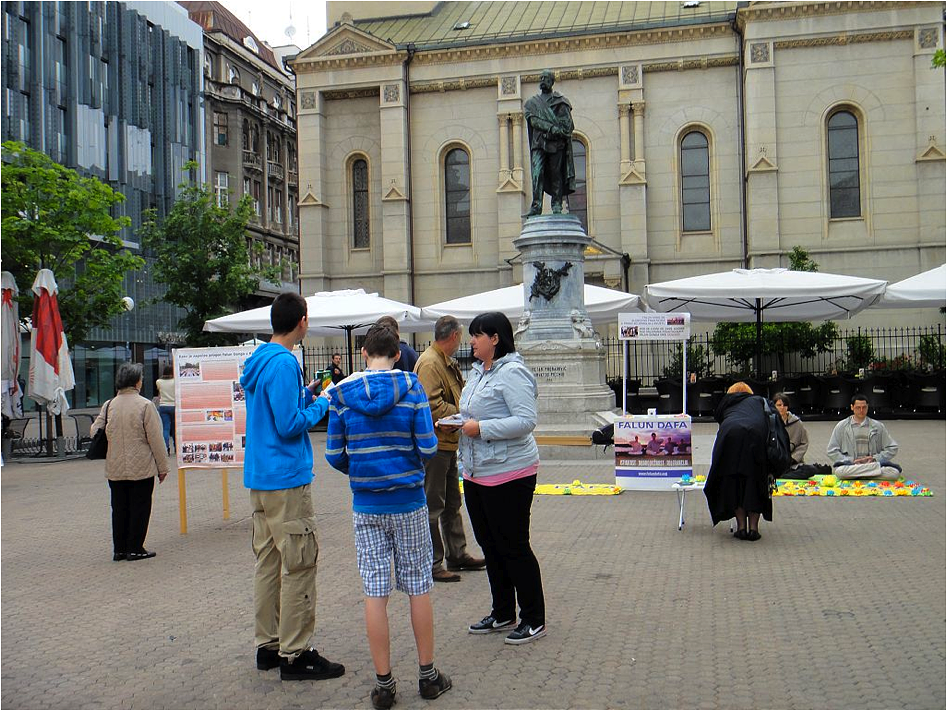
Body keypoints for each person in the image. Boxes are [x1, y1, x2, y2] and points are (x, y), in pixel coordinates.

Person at [325, 323, 451, 709]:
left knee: (374, 593)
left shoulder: (341, 396)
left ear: (363, 354)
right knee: (417, 586)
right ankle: (428, 676)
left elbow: (333, 454)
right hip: (409, 502)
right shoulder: (412, 390)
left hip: (366, 506)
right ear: (397, 354)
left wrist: (361, 470)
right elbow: (429, 447)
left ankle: (384, 685)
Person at [240, 291, 345, 682]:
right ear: (301, 320)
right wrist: (325, 403)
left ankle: (268, 645)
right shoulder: (284, 362)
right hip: (286, 477)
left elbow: (274, 411)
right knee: (298, 562)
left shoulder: (259, 359)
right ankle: (296, 652)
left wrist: (307, 395)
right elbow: (288, 425)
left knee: (268, 562)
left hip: (261, 476)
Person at [456, 312, 546, 645]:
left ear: (495, 338)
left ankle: (534, 617)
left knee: (514, 546)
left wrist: (482, 429)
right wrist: (458, 423)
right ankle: (503, 610)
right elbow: (471, 412)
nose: (472, 342)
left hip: (510, 472)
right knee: (490, 545)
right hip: (477, 471)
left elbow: (526, 420)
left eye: (477, 335)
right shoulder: (478, 372)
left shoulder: (513, 372)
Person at [414, 316, 486, 583]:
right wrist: (463, 414)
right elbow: (431, 405)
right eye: (463, 336)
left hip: (446, 443)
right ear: (454, 336)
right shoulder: (431, 363)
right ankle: (434, 562)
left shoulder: (441, 361)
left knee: (452, 503)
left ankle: (457, 553)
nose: (466, 341)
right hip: (436, 445)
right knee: (434, 504)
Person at [91, 362, 169, 561]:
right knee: (140, 508)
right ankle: (135, 547)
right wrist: (163, 467)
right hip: (141, 467)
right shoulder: (145, 405)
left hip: (115, 467)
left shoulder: (109, 405)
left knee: (119, 508)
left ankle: (120, 549)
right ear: (136, 382)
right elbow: (156, 439)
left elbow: (94, 431)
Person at [703, 382, 774, 542]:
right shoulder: (759, 401)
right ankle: (754, 529)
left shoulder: (726, 403)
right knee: (755, 481)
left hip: (730, 437)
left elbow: (719, 418)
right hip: (756, 437)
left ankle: (741, 527)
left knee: (734, 481)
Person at [523, 68, 575, 216]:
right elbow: (533, 120)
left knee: (556, 174)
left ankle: (557, 205)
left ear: (552, 81)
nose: (542, 81)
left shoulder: (561, 102)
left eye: (545, 78)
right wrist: (552, 127)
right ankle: (536, 206)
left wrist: (560, 130)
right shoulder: (532, 103)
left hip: (556, 144)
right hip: (539, 144)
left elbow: (568, 125)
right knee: (537, 173)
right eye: (541, 78)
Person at [827, 393, 900, 480]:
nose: (861, 410)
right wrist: (850, 460)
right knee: (840, 472)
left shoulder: (878, 426)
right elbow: (831, 451)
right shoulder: (842, 426)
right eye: (858, 407)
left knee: (894, 473)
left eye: (864, 407)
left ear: (867, 407)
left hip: (871, 464)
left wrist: (875, 458)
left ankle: (860, 474)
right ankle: (871, 474)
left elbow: (892, 447)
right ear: (852, 407)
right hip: (852, 465)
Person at [773, 392, 832, 479]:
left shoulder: (797, 423)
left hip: (794, 463)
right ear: (774, 406)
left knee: (809, 470)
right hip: (776, 462)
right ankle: (782, 475)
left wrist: (793, 458)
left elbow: (803, 443)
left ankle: (783, 475)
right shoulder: (770, 423)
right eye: (779, 405)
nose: (782, 407)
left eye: (784, 405)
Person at [155, 364, 176, 452]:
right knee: (175, 429)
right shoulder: (175, 381)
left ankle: (166, 448)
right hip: (174, 406)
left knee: (165, 428)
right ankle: (176, 447)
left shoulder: (158, 381)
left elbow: (159, 393)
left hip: (163, 406)